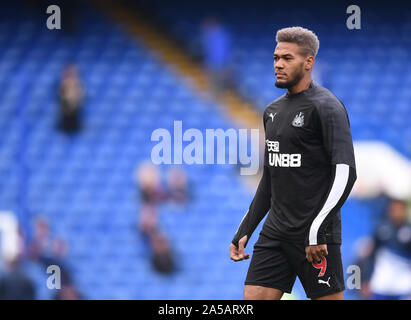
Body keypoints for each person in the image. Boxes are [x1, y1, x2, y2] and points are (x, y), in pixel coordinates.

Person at [229, 27, 357, 300]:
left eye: (287, 58)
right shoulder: (272, 111)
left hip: (316, 237)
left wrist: (316, 231)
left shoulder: (327, 107)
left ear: (308, 62)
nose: (278, 64)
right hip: (275, 234)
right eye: (276, 58)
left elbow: (347, 173)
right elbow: (270, 179)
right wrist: (245, 229)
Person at [357, 198, 411, 300]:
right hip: (381, 285)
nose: (397, 212)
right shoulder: (380, 229)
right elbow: (370, 256)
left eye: (400, 209)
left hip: (404, 285)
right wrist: (365, 280)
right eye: (394, 209)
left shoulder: (409, 230)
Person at [58, 64, 84, 133]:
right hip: (65, 120)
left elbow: (81, 100)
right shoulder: (61, 86)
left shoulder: (79, 86)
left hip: (76, 119)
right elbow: (62, 100)